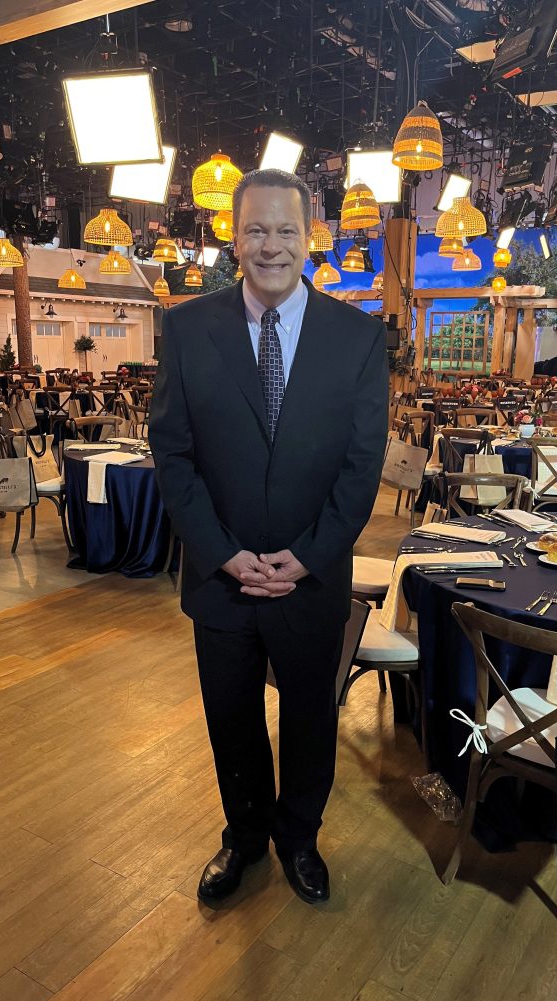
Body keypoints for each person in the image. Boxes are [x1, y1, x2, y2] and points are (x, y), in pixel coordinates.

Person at [148, 168, 388, 906]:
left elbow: (360, 467)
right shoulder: (188, 328)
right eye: (256, 230)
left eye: (286, 230)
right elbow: (174, 454)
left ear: (311, 236)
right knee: (232, 720)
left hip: (311, 581)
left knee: (311, 720)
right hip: (221, 579)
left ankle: (300, 838)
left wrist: (308, 557)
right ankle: (244, 838)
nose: (271, 246)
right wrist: (222, 553)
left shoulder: (358, 337)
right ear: (233, 235)